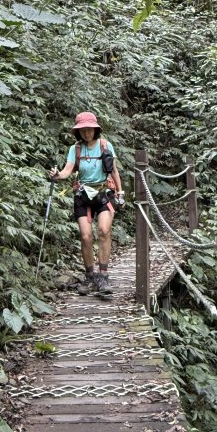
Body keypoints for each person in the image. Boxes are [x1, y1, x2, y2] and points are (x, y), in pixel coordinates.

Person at [49, 112, 125, 297]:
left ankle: (103, 276)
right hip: (83, 195)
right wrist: (57, 175)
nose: (86, 133)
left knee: (104, 231)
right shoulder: (75, 149)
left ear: (95, 129)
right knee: (85, 236)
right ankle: (91, 276)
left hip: (104, 193)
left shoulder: (105, 145)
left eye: (89, 129)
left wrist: (120, 192)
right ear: (78, 132)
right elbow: (67, 170)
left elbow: (114, 171)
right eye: (82, 130)